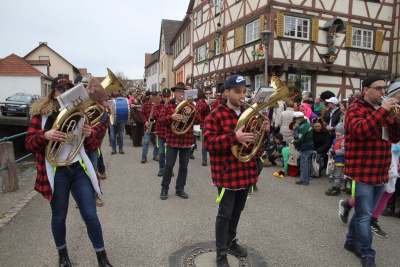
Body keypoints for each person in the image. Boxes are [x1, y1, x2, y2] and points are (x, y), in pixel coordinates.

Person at [25, 77, 113, 267]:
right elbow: (30, 144)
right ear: (54, 93)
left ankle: (102, 257)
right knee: (59, 216)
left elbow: (92, 145)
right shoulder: (41, 116)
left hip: (78, 168)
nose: (64, 92)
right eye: (60, 89)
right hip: (56, 172)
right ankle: (63, 256)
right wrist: (45, 135)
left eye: (68, 89)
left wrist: (90, 134)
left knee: (90, 215)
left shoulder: (81, 114)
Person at [203, 75, 270, 267]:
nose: (242, 96)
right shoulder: (215, 114)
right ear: (226, 92)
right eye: (237, 91)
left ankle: (231, 241)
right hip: (226, 173)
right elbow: (208, 143)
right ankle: (221, 252)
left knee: (238, 210)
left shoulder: (250, 113)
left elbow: (256, 142)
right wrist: (234, 138)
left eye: (244, 92)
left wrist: (264, 130)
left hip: (246, 171)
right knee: (225, 213)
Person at [343, 74, 400, 267]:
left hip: (381, 170)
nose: (383, 92)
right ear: (366, 90)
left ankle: (350, 241)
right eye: (379, 88)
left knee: (363, 213)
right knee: (365, 216)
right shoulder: (355, 108)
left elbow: (394, 138)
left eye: (385, 88)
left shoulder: (381, 110)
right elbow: (361, 131)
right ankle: (367, 253)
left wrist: (397, 120)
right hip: (363, 171)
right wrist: (383, 111)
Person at [159, 82, 202, 200]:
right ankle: (164, 188)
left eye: (183, 92)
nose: (181, 94)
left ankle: (180, 189)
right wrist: (171, 117)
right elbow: (160, 120)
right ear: (174, 93)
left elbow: (199, 121)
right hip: (173, 140)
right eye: (178, 91)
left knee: (184, 167)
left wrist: (191, 113)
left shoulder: (191, 106)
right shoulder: (169, 105)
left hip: (187, 140)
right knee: (169, 166)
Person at [153, 88, 174, 177]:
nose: (166, 98)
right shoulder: (157, 105)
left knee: (170, 154)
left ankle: (169, 169)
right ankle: (161, 168)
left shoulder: (173, 105)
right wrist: (164, 107)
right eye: (164, 96)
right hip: (161, 132)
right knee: (161, 152)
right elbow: (155, 116)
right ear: (161, 96)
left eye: (167, 96)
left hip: (170, 132)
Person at [291, 111, 314, 186]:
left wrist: (294, 142)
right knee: (307, 163)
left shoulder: (302, 127)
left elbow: (301, 139)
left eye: (296, 119)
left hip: (305, 147)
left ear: (299, 119)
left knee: (304, 164)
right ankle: (306, 178)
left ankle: (304, 179)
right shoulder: (307, 124)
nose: (295, 121)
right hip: (309, 146)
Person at [325, 122, 345, 196]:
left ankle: (336, 189)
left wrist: (334, 152)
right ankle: (335, 187)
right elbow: (333, 146)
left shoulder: (343, 140)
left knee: (337, 175)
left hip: (340, 160)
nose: (337, 133)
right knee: (333, 174)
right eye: (336, 131)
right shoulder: (335, 139)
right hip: (334, 159)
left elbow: (343, 151)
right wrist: (330, 151)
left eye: (339, 132)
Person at [140, 91, 160, 163]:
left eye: (155, 95)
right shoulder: (146, 104)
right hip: (148, 126)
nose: (154, 97)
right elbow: (142, 114)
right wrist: (145, 121)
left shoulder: (159, 103)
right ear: (150, 96)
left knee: (156, 143)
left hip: (157, 127)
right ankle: (144, 156)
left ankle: (155, 155)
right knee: (146, 142)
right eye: (152, 95)